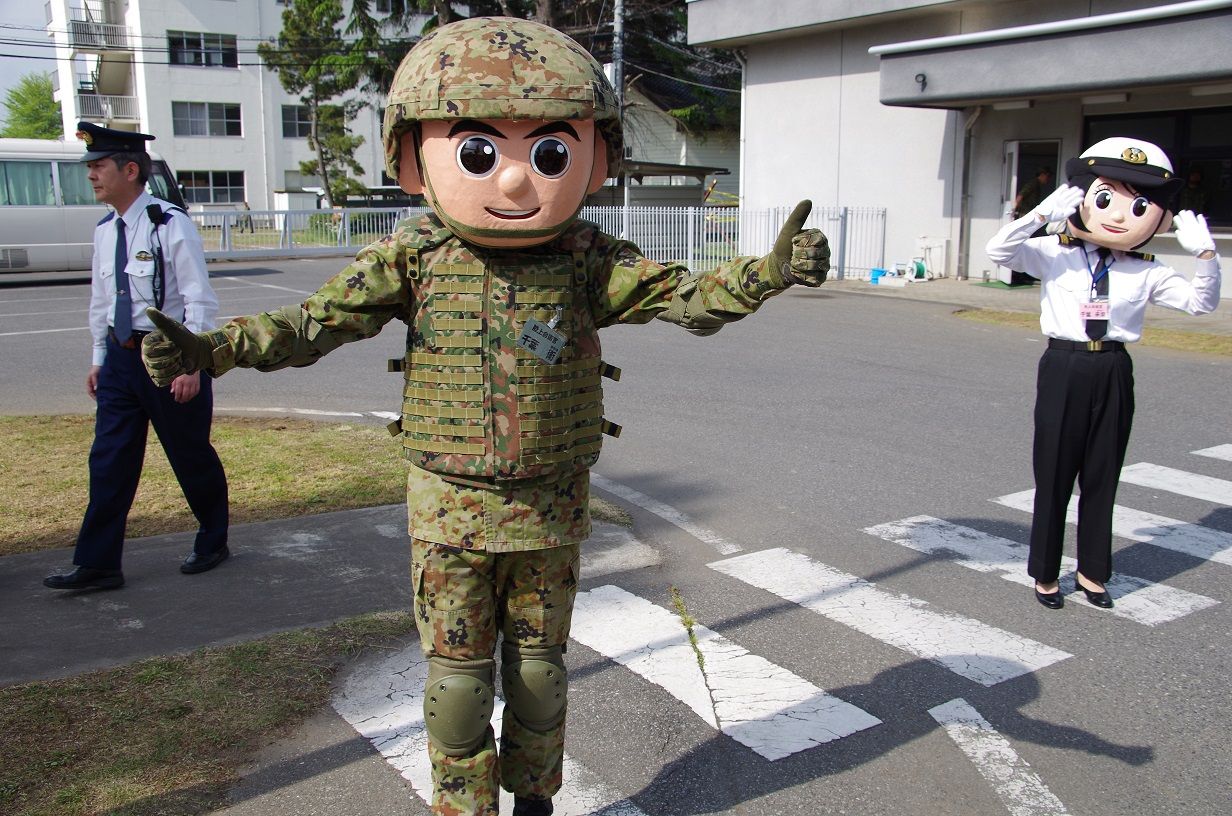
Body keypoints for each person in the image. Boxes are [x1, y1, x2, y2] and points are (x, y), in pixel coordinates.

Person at [139, 17, 828, 816]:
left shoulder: (587, 260)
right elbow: (310, 325)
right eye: (477, 151)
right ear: (410, 159)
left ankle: (534, 800)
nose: (512, 181)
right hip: (449, 511)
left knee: (538, 674)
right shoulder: (414, 256)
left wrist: (770, 272)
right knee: (458, 688)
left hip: (548, 508)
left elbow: (689, 295)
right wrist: (211, 350)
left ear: (595, 157)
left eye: (548, 152)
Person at [986, 137, 1220, 611]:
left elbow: (1201, 305)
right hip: (1063, 364)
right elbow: (998, 253)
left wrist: (1206, 259)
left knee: (1102, 475)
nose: (1116, 215)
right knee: (1053, 474)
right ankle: (1046, 574)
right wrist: (1037, 216)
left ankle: (1093, 573)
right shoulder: (1054, 251)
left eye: (1139, 205)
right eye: (1106, 197)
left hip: (1112, 366)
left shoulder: (1147, 270)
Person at [43, 122, 230, 592]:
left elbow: (198, 300)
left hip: (168, 359)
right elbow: (102, 302)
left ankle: (213, 538)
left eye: (99, 166)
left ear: (130, 169)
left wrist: (193, 364)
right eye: (90, 166)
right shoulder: (105, 230)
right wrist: (99, 357)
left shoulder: (170, 223)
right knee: (109, 460)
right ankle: (98, 563)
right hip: (121, 363)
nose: (91, 175)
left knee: (190, 456)